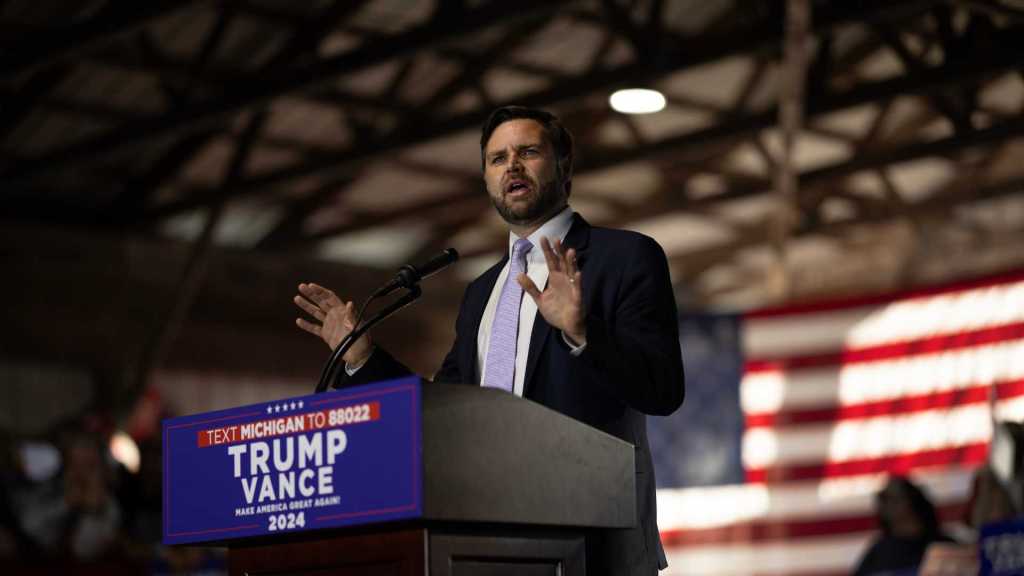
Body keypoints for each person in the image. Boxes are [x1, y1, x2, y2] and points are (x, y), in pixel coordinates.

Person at [294, 105, 685, 575]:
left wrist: (581, 331)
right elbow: (444, 414)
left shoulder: (625, 257)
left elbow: (662, 390)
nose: (512, 166)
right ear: (486, 179)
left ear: (565, 167)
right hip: (490, 542)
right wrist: (362, 359)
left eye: (529, 152)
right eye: (497, 159)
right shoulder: (481, 292)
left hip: (593, 541)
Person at [853, 476, 956, 576]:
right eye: (882, 498)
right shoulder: (878, 554)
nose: (884, 504)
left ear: (911, 500)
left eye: (890, 497)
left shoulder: (944, 547)